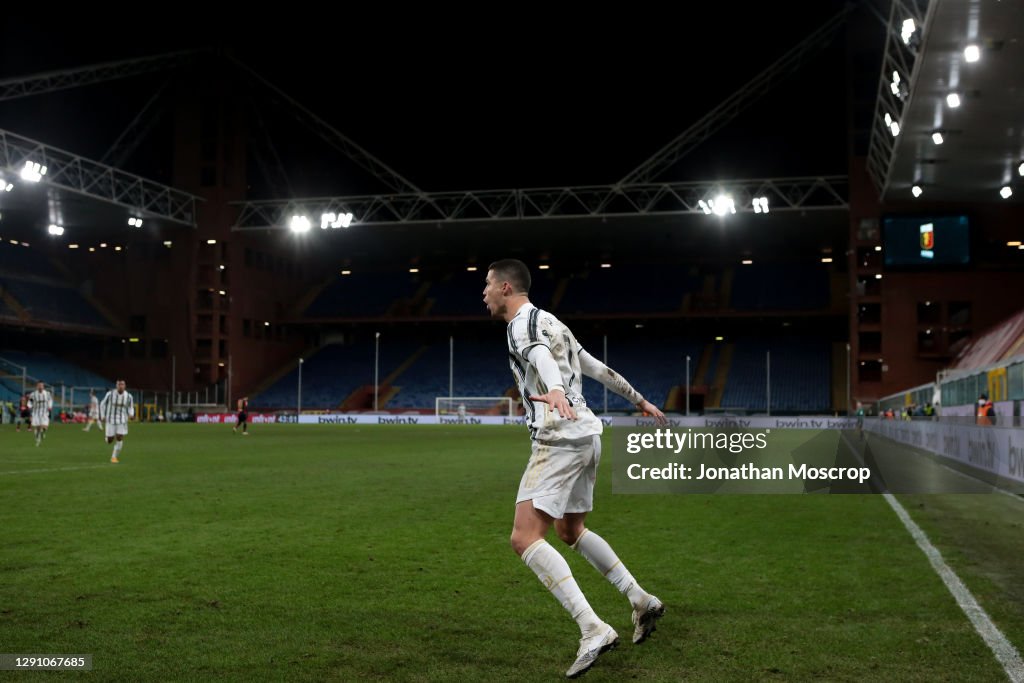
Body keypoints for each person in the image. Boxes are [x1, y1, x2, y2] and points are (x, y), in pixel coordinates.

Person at [483, 259, 668, 678]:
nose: (485, 294)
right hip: (589, 436)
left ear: (507, 288)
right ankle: (640, 599)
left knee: (524, 537)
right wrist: (639, 400)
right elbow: (597, 368)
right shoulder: (555, 322)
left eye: (488, 286)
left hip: (559, 437)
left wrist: (554, 389)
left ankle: (592, 629)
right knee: (570, 531)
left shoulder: (520, 325)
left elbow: (542, 358)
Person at [100, 379, 135, 463]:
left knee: (119, 437)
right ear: (116, 385)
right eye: (119, 384)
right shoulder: (110, 394)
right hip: (110, 420)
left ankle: (114, 457)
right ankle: (107, 438)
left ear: (125, 386)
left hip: (122, 420)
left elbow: (131, 407)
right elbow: (102, 404)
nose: (121, 386)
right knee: (110, 440)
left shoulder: (129, 396)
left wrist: (131, 414)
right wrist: (103, 416)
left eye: (122, 384)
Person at [28, 381, 53, 447]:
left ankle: (42, 433)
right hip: (36, 413)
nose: (40, 387)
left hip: (45, 412)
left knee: (45, 427)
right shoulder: (33, 394)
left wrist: (50, 406)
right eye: (39, 385)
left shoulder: (47, 393)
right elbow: (29, 402)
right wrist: (29, 406)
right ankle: (37, 437)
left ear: (43, 386)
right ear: (37, 386)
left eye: (41, 385)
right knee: (37, 428)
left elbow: (50, 400)